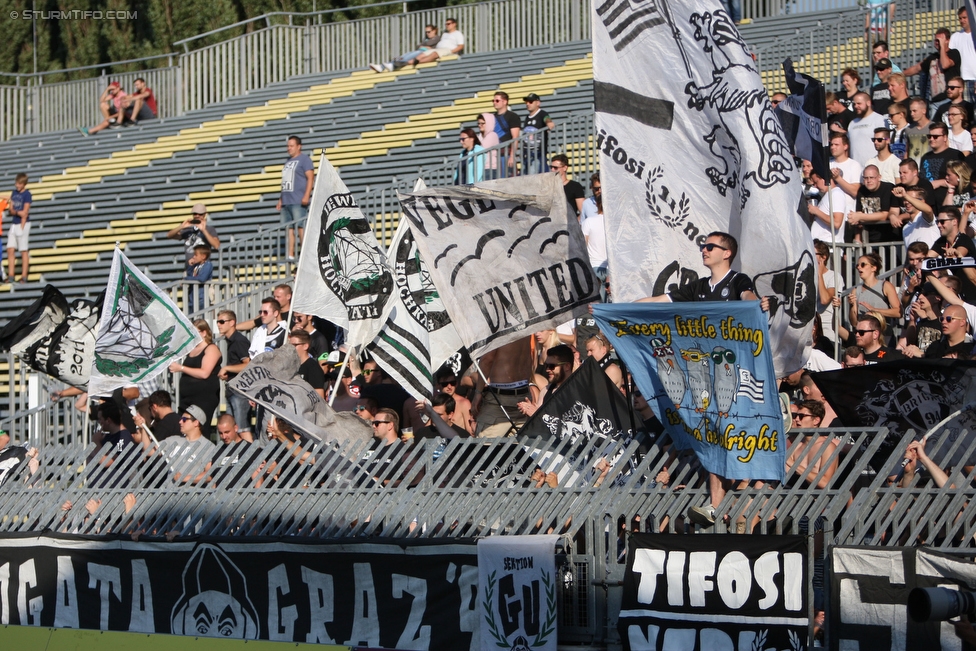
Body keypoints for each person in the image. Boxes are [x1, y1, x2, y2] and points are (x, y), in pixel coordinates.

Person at [637, 232, 764, 527]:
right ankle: (716, 507)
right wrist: (616, 309)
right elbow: (659, 300)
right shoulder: (698, 287)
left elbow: (749, 298)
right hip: (705, 380)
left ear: (727, 253)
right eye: (703, 246)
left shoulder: (737, 280)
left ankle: (736, 503)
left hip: (733, 376)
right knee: (714, 440)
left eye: (710, 246)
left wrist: (757, 304)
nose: (704, 250)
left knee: (731, 440)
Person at [473, 336, 536, 438]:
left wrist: (478, 392)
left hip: (500, 399)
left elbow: (487, 360)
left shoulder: (500, 329)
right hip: (523, 393)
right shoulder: (525, 327)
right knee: (520, 450)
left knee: (484, 449)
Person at [170, 319, 222, 436]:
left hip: (203, 398)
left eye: (194, 332)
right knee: (183, 427)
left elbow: (204, 373)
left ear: (204, 333)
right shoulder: (191, 350)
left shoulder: (211, 348)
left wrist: (181, 368)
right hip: (187, 399)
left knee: (200, 428)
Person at [215, 310, 253, 438]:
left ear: (232, 323)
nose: (219, 325)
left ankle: (253, 456)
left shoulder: (238, 341)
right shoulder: (231, 341)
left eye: (221, 322)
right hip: (233, 390)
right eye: (217, 322)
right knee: (233, 429)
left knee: (242, 428)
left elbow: (248, 365)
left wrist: (227, 368)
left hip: (240, 391)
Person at [156, 405, 217, 484]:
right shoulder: (173, 440)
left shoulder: (208, 446)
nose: (180, 421)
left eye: (184, 419)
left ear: (196, 422)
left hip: (191, 495)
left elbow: (209, 475)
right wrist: (142, 427)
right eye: (181, 418)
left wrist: (184, 478)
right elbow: (150, 451)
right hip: (168, 494)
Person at [277, 135, 314, 262]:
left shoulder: (305, 160)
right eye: (288, 146)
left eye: (291, 146)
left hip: (298, 200)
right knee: (288, 229)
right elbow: (285, 181)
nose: (289, 148)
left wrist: (306, 195)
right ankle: (290, 255)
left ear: (299, 146)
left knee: (300, 227)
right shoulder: (287, 161)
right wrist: (280, 199)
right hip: (286, 200)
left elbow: (310, 178)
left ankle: (304, 254)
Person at [904, 28, 961, 107]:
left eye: (940, 40)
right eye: (936, 40)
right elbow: (917, 68)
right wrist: (900, 74)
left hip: (949, 99)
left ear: (947, 40)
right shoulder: (932, 57)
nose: (937, 43)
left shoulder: (954, 53)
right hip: (934, 101)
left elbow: (945, 65)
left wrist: (942, 47)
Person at [931, 205, 976, 303]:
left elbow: (960, 252)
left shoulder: (964, 239)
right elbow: (928, 257)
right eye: (937, 222)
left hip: (972, 294)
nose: (939, 225)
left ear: (954, 221)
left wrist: (954, 253)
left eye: (942, 221)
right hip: (956, 295)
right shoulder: (941, 241)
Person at [517, 345, 575, 417]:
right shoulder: (546, 390)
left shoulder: (577, 391)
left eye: (552, 366)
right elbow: (538, 417)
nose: (547, 370)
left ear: (567, 366)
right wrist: (530, 410)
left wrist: (537, 415)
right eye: (546, 365)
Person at [848, 252, 902, 329]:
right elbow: (854, 323)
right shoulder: (855, 291)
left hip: (884, 334)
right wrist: (851, 305)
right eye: (857, 265)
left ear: (874, 268)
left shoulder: (885, 286)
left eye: (863, 264)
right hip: (865, 335)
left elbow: (898, 312)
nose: (859, 267)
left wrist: (874, 310)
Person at [921, 123, 966, 206]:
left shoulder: (955, 155)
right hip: (927, 201)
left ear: (945, 137)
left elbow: (962, 178)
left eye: (935, 137)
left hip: (947, 200)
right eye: (929, 136)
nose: (931, 139)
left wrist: (939, 182)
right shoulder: (925, 157)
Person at [848, 165, 896, 243]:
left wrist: (860, 216)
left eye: (872, 177)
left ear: (879, 177)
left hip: (887, 238)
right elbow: (858, 214)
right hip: (867, 237)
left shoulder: (888, 188)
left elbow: (884, 215)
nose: (868, 181)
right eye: (866, 178)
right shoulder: (862, 190)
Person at [369, 24, 440, 72]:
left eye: (429, 32)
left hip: (423, 53)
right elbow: (418, 46)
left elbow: (428, 44)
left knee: (405, 58)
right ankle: (382, 67)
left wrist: (423, 46)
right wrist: (424, 46)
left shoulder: (437, 38)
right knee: (404, 55)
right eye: (426, 32)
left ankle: (392, 66)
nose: (427, 34)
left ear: (434, 31)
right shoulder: (426, 39)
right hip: (419, 51)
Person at [808, 171, 854, 244]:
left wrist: (816, 211)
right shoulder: (829, 194)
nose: (815, 186)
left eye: (816, 182)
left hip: (829, 248)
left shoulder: (836, 194)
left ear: (824, 178)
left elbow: (836, 223)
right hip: (821, 246)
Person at [814, 240, 843, 348]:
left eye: (813, 253)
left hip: (827, 332)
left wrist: (819, 275)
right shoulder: (805, 276)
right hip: (809, 333)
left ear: (823, 257)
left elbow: (825, 299)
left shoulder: (834, 276)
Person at [848, 92, 888, 166]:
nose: (856, 106)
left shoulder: (879, 119)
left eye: (859, 103)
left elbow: (885, 143)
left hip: (875, 167)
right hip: (856, 168)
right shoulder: (852, 123)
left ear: (868, 103)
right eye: (854, 104)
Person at [582, 193, 608, 302]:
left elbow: (583, 247)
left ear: (597, 204)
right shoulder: (614, 223)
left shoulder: (588, 222)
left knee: (596, 306)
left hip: (594, 267)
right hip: (611, 269)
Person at [521, 93, 555, 175]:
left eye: (530, 102)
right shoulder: (527, 117)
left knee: (532, 175)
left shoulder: (542, 113)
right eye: (526, 102)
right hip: (527, 154)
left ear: (538, 103)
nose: (528, 104)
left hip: (538, 154)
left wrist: (549, 122)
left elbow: (546, 118)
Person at [7, 172, 30, 284]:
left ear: (23, 184)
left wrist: (17, 212)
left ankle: (24, 276)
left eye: (19, 183)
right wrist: (16, 212)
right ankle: (11, 275)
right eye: (16, 183)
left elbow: (25, 212)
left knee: (23, 250)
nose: (17, 185)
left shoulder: (27, 194)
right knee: (10, 249)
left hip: (23, 224)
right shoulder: (14, 193)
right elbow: (11, 209)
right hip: (14, 223)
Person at [434, 368, 474, 434]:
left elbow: (470, 431)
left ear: (456, 384)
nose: (449, 387)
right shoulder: (435, 403)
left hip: (459, 442)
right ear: (438, 386)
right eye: (445, 384)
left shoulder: (464, 403)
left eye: (452, 383)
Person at [289, 329, 326, 399]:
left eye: (294, 345)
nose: (291, 349)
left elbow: (319, 398)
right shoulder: (290, 366)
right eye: (290, 345)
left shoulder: (313, 368)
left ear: (305, 346)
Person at [950, 7, 976, 101]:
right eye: (960, 18)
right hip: (963, 79)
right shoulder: (955, 37)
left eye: (964, 17)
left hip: (974, 77)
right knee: (966, 111)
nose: (962, 20)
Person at [492, 91, 521, 174]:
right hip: (494, 154)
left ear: (505, 102)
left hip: (505, 153)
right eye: (493, 101)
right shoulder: (492, 117)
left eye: (497, 100)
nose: (494, 103)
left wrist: (512, 156)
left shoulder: (512, 116)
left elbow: (515, 137)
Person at [829, 133, 862, 199]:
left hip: (848, 207)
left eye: (836, 145)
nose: (833, 147)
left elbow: (855, 192)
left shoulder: (854, 165)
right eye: (831, 145)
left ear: (845, 146)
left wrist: (838, 179)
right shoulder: (828, 164)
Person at [183, 245, 213, 313]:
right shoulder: (195, 266)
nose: (193, 257)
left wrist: (186, 279)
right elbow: (191, 275)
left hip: (201, 299)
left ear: (203, 256)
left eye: (196, 255)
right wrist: (190, 266)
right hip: (192, 298)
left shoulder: (208, 265)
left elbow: (202, 278)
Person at [905, 97, 933, 161]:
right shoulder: (909, 129)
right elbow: (907, 151)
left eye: (914, 111)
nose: (912, 114)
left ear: (924, 111)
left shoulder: (933, 128)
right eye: (910, 111)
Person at [477, 113, 501, 179]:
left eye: (482, 123)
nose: (480, 125)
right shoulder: (480, 136)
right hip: (482, 168)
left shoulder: (492, 135)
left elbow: (480, 148)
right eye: (478, 123)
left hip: (490, 168)